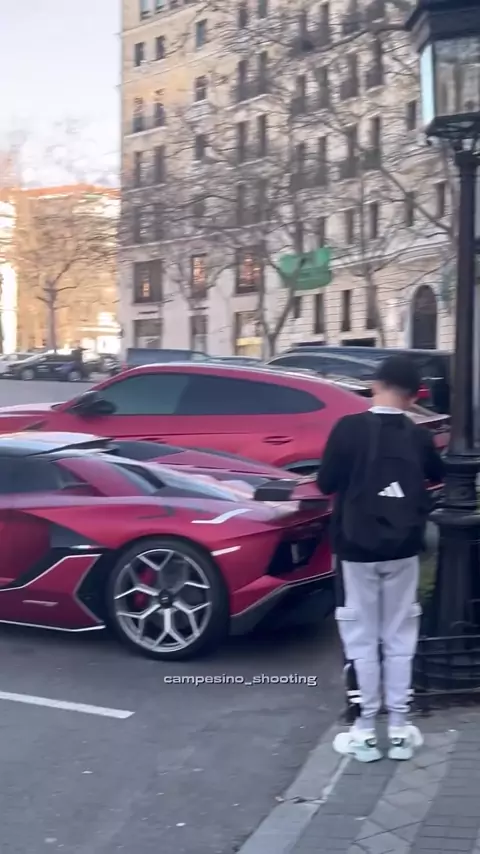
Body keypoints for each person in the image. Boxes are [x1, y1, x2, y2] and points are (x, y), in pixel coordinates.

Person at [317, 355, 444, 762]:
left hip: (355, 549)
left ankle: (366, 732)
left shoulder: (348, 428)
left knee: (361, 638)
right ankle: (402, 729)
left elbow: (325, 482)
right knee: (400, 636)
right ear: (413, 396)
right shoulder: (417, 435)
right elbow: (437, 474)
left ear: (375, 385)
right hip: (403, 548)